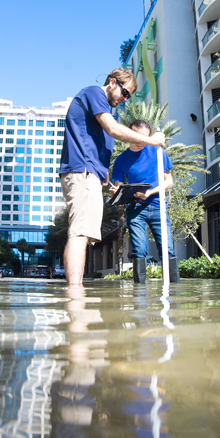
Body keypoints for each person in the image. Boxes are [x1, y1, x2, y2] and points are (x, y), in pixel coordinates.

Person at [59, 69, 165, 285]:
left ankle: (75, 290)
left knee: (84, 233)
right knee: (80, 233)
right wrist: (150, 140)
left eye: (128, 97)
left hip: (90, 173)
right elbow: (113, 129)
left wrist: (102, 170)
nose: (125, 99)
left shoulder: (101, 107)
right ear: (113, 82)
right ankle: (75, 294)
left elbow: (91, 138)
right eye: (125, 93)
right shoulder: (94, 93)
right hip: (83, 172)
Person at [110, 120, 178, 283]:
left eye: (145, 137)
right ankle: (139, 292)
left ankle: (173, 290)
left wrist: (150, 192)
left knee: (167, 250)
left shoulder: (158, 152)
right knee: (139, 250)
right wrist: (115, 193)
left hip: (158, 206)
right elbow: (119, 189)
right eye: (137, 136)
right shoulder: (120, 160)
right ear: (129, 134)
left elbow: (169, 182)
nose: (141, 141)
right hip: (135, 209)